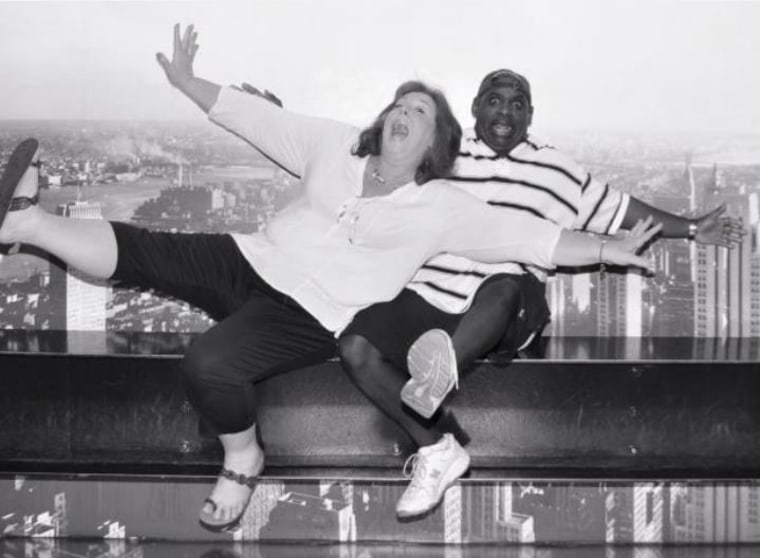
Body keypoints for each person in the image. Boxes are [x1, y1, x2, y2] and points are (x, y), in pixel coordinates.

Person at [0, 26, 660, 532]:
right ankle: (24, 225)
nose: (404, 113)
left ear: (437, 144)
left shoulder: (442, 205)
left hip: (309, 312)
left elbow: (537, 240)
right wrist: (187, 81)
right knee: (144, 249)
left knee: (208, 364)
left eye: (421, 113)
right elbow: (259, 119)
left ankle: (243, 459)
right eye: (400, 104)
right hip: (251, 256)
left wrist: (613, 249)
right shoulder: (340, 146)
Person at [338, 69, 746, 519]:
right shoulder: (444, 156)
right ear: (475, 108)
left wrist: (691, 228)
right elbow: (373, 165)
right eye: (494, 100)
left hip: (507, 303)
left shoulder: (557, 169)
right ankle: (436, 445)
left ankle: (433, 381)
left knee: (505, 285)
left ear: (530, 115)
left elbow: (621, 210)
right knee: (355, 346)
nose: (505, 112)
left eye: (517, 103)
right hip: (433, 290)